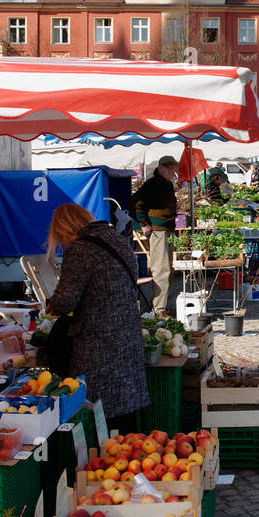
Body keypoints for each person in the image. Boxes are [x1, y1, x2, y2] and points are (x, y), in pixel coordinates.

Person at [45, 204, 149, 420]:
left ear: (64, 228)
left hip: (98, 342)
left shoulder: (81, 249)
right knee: (123, 414)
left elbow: (65, 300)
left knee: (98, 412)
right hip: (127, 334)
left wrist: (52, 303)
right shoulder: (117, 239)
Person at [133, 154, 180, 315]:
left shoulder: (166, 183)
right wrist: (143, 223)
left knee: (169, 269)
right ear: (161, 169)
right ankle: (158, 308)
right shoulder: (152, 184)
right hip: (159, 231)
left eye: (174, 168)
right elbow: (137, 203)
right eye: (170, 168)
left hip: (168, 229)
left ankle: (162, 305)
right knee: (161, 269)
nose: (173, 171)